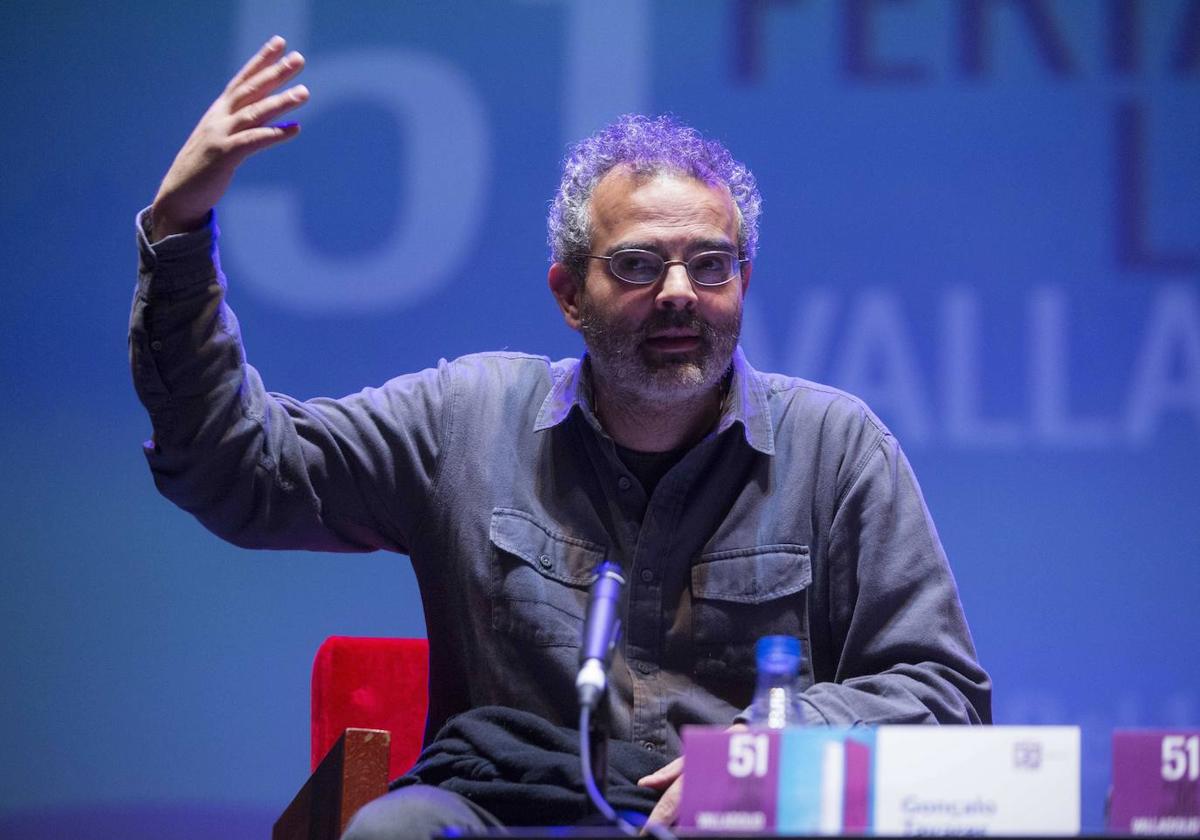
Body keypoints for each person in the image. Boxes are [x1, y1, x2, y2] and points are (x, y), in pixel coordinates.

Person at [133, 37, 991, 840]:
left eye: (712, 264)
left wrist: (764, 752)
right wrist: (178, 230)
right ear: (568, 295)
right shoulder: (464, 418)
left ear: (743, 281)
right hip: (507, 813)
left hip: (736, 823)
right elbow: (239, 468)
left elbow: (943, 693)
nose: (682, 293)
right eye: (639, 265)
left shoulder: (835, 447)